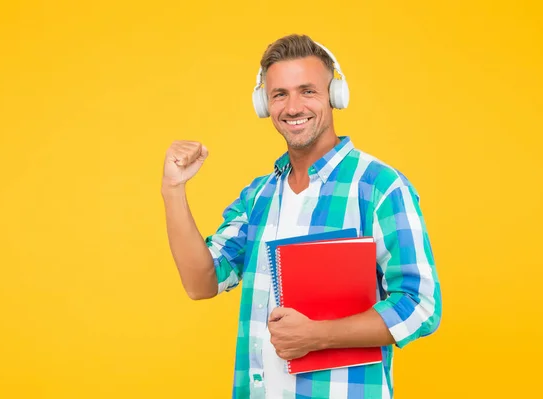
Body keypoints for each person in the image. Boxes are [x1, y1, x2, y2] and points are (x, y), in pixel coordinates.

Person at [161, 34, 442, 399]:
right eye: (280, 94)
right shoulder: (258, 196)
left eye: (307, 91)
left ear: (334, 96)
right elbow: (201, 283)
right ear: (265, 104)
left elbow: (419, 305)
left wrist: (318, 336)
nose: (293, 107)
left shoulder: (380, 187)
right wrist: (173, 189)